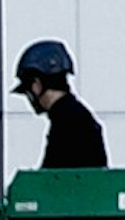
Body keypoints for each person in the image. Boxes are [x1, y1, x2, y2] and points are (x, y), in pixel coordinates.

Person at [13, 38, 107, 171]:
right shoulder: (79, 115)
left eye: (28, 90)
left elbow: (51, 179)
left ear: (36, 85)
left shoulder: (65, 121)